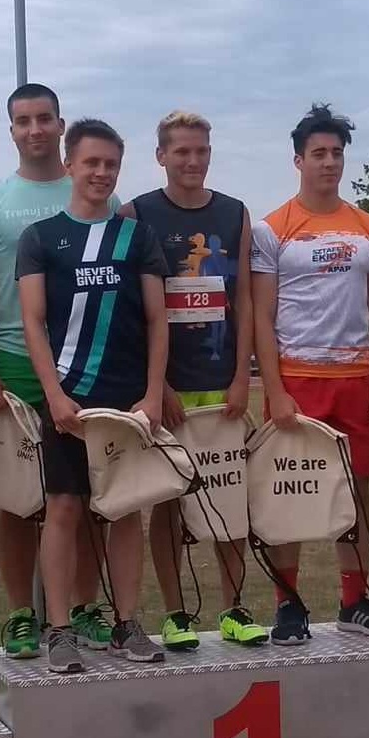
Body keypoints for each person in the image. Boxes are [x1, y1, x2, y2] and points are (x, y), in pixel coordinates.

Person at [0, 83, 115, 658]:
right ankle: (22, 613)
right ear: (11, 130)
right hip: (15, 365)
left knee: (91, 496)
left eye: (44, 118)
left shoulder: (102, 196)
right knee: (18, 498)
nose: (35, 130)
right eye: (23, 121)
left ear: (60, 124)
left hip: (90, 365)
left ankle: (85, 606)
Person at [17, 118, 168, 674]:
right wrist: (54, 396)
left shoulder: (137, 237)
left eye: (111, 164)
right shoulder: (41, 238)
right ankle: (59, 629)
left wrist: (152, 395)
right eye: (91, 163)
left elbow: (157, 320)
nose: (101, 172)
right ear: (69, 165)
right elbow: (33, 323)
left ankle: (127, 623)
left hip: (127, 400)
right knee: (62, 508)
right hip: (69, 399)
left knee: (125, 511)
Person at [250, 103, 369, 644]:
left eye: (337, 153)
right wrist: (275, 389)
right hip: (297, 378)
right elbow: (261, 315)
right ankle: (287, 604)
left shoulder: (368, 227)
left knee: (356, 491)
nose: (329, 162)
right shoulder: (272, 228)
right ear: (298, 160)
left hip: (356, 377)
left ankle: (354, 599)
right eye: (319, 153)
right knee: (290, 490)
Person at [122, 111, 267, 650]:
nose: (192, 160)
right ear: (161, 155)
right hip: (168, 384)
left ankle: (233, 607)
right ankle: (176, 613)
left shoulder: (235, 212)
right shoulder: (137, 213)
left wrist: (242, 375)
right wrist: (156, 386)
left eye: (201, 150)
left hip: (221, 379)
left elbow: (244, 298)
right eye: (181, 151)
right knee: (167, 500)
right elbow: (134, 309)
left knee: (230, 495)